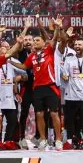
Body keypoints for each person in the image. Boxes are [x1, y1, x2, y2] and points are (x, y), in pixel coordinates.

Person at [21, 16, 65, 150]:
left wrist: (56, 27)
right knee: (39, 114)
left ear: (44, 42)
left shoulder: (49, 50)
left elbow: (53, 38)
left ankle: (58, 140)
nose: (34, 42)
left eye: (37, 40)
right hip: (37, 89)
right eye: (33, 41)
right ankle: (43, 139)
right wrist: (8, 59)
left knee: (53, 113)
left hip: (50, 87)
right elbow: (23, 67)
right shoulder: (32, 56)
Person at [60, 32, 83, 150]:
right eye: (75, 44)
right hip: (70, 95)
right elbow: (65, 76)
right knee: (69, 119)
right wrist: (64, 76)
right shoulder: (69, 60)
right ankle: (70, 141)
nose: (77, 46)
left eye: (79, 44)